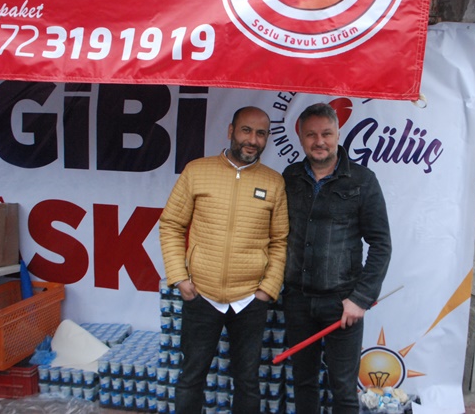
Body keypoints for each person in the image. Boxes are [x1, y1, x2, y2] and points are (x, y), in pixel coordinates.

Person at [158, 106, 289, 414]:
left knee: (248, 381)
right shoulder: (197, 171)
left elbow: (280, 240)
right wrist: (180, 278)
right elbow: (171, 225)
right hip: (201, 295)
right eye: (246, 130)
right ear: (231, 131)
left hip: (250, 300)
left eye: (261, 134)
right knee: (191, 378)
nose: (252, 140)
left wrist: (267, 289)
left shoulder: (274, 182)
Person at [281, 102, 392, 414]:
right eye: (311, 134)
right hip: (298, 300)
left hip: (343, 303)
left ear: (338, 134)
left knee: (343, 387)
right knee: (303, 383)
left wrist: (361, 299)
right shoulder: (289, 177)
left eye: (326, 134)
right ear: (300, 137)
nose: (319, 141)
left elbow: (381, 244)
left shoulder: (362, 180)